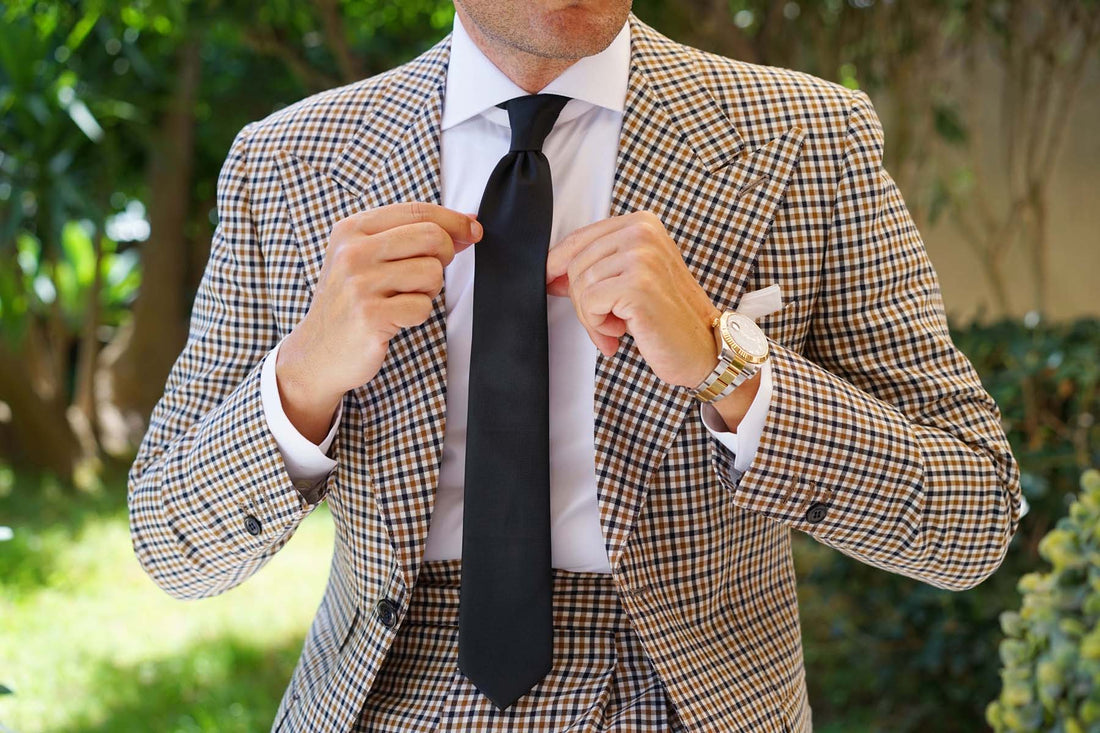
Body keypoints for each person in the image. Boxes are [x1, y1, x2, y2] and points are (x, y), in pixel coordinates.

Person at [127, 0, 1023, 730]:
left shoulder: (808, 138)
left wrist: (728, 364)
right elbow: (173, 547)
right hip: (382, 693)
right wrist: (302, 378)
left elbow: (971, 517)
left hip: (684, 696)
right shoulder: (287, 164)